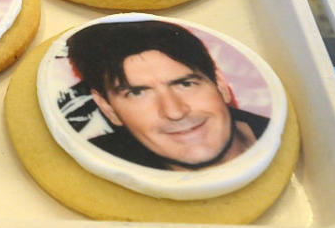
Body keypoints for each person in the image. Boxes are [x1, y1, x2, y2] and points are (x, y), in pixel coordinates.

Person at [65, 19, 268, 171]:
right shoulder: (90, 164)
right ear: (108, 109)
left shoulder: (284, 136)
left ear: (221, 85)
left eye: (185, 84)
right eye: (137, 93)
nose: (174, 111)